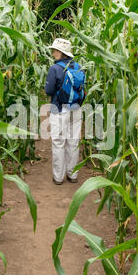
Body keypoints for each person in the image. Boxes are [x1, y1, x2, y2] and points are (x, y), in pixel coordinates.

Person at [45, 38, 84, 185]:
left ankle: (58, 177)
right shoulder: (78, 67)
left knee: (58, 142)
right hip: (76, 108)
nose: (53, 52)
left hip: (59, 109)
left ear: (61, 52)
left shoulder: (55, 69)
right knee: (73, 141)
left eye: (54, 50)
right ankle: (72, 175)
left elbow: (48, 90)